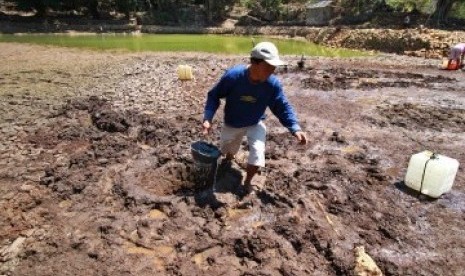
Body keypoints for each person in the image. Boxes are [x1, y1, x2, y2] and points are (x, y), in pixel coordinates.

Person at [202, 41, 308, 194]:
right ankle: (230, 157)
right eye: (269, 66)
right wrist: (208, 118)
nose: (272, 70)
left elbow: (282, 106)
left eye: (274, 67)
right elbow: (214, 96)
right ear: (254, 63)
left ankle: (247, 182)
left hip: (255, 122)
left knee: (258, 153)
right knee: (227, 150)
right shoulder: (233, 77)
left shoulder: (272, 85)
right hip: (233, 123)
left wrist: (295, 128)